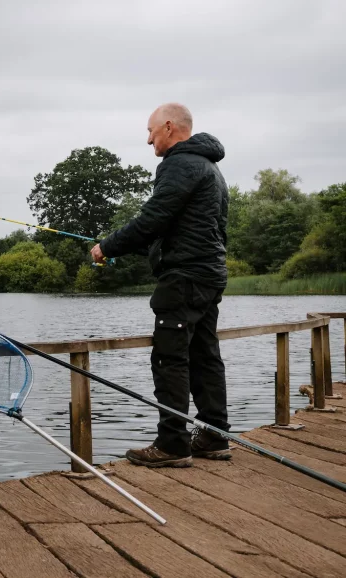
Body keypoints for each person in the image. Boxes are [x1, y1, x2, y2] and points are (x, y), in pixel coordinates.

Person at [90, 103, 231, 467]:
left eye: (151, 130)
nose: (148, 138)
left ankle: (172, 444)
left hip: (183, 279)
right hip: (209, 275)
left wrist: (106, 246)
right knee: (205, 356)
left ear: (169, 127)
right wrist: (129, 247)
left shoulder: (179, 163)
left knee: (171, 359)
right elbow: (177, 228)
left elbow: (153, 218)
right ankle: (215, 436)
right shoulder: (211, 168)